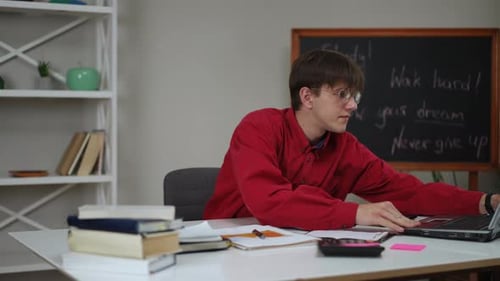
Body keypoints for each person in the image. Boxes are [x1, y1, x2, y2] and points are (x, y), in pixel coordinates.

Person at [203, 49, 500, 232]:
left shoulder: (345, 146)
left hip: (302, 250)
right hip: (233, 249)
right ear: (307, 96)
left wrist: (484, 202)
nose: (353, 106)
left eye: (354, 96)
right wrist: (356, 212)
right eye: (341, 94)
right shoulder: (258, 127)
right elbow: (269, 202)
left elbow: (405, 192)